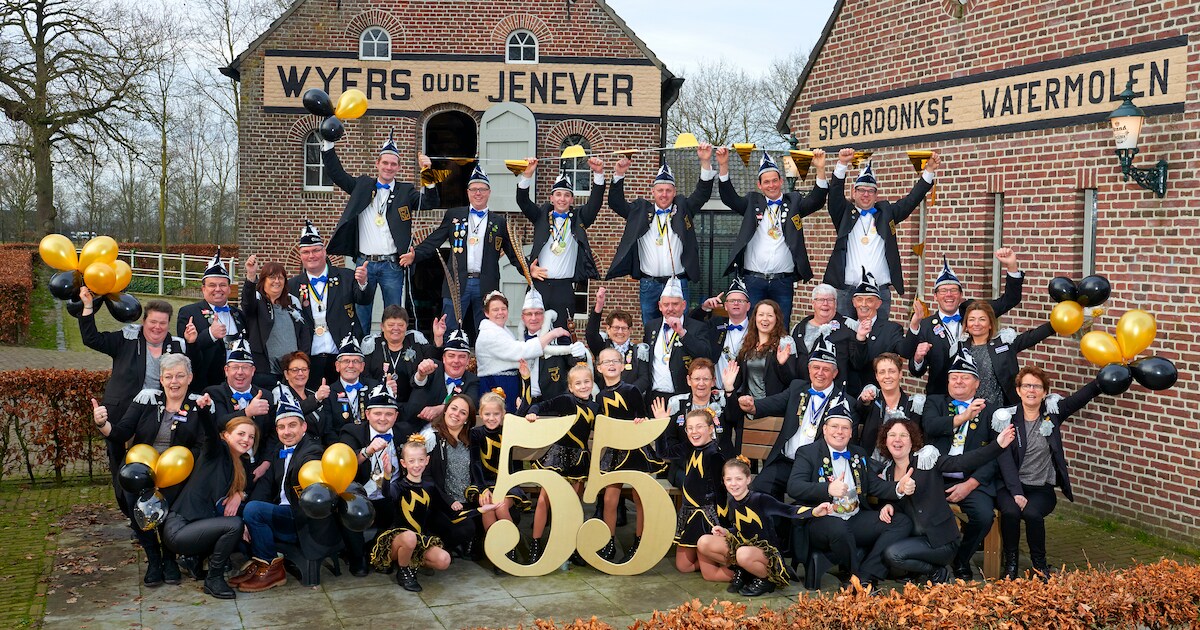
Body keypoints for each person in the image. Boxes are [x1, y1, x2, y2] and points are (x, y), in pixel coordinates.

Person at [91, 353, 209, 587]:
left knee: (172, 502)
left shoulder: (198, 404)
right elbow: (122, 432)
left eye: (179, 376)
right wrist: (102, 423)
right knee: (135, 501)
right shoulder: (147, 398)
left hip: (178, 470)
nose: (174, 381)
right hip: (141, 467)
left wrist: (180, 464)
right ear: (161, 380)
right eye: (168, 376)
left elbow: (202, 445)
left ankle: (169, 558)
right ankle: (153, 559)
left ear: (190, 377)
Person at [78, 290, 186, 512]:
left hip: (156, 417)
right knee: (120, 465)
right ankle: (128, 511)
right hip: (121, 414)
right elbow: (92, 338)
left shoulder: (177, 345)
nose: (157, 327)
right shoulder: (126, 338)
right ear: (144, 320)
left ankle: (152, 511)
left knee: (150, 465)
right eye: (153, 322)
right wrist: (88, 307)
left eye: (163, 323)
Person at [786, 402, 912, 592]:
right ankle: (857, 579)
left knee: (901, 522)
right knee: (839, 528)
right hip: (821, 519)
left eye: (845, 427)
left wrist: (898, 487)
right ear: (825, 429)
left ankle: (865, 575)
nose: (840, 431)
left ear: (851, 432)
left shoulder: (858, 454)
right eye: (835, 426)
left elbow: (875, 485)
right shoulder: (808, 453)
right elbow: (794, 487)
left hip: (854, 516)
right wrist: (828, 489)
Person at [995, 367, 1105, 580]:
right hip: (1010, 486)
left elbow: (1078, 399)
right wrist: (1017, 493)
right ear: (1018, 390)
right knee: (1010, 513)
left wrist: (1101, 382)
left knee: (1032, 514)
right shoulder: (1006, 418)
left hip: (1040, 487)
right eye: (1027, 385)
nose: (1031, 390)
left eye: (1037, 386)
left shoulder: (1052, 414)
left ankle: (1040, 566)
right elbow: (1004, 460)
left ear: (1044, 392)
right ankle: (1011, 564)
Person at [321, 131, 438, 332]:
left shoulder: (405, 191)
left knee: (393, 317)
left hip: (392, 265)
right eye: (385, 163)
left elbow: (430, 202)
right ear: (378, 164)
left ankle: (390, 358)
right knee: (361, 315)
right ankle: (361, 360)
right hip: (364, 263)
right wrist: (328, 144)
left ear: (399, 167)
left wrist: (427, 171)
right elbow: (336, 174)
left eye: (393, 164)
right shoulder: (362, 185)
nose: (389, 167)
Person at [877, 417, 1015, 584]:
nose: (897, 440)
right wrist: (887, 505)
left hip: (940, 541)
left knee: (893, 554)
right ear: (886, 440)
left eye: (903, 435)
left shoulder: (927, 459)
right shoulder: (888, 472)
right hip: (914, 538)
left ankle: (937, 572)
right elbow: (894, 500)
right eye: (892, 435)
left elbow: (962, 462)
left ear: (912, 440)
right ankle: (922, 569)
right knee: (888, 558)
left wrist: (997, 445)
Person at [403, 164, 525, 334]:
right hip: (457, 282)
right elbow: (435, 239)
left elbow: (512, 252)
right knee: (450, 329)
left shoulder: (499, 222)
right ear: (467, 192)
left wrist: (528, 270)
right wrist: (415, 255)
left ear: (489, 192)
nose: (478, 193)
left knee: (487, 331)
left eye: (482, 189)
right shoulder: (454, 215)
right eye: (474, 189)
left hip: (486, 284)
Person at [235, 394, 340, 592]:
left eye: (292, 425)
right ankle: (260, 563)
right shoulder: (279, 450)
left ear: (304, 427)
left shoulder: (313, 451)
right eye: (281, 427)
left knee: (254, 510)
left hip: (301, 519)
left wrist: (251, 512)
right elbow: (265, 486)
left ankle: (270, 568)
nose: (287, 432)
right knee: (236, 511)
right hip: (282, 513)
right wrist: (245, 516)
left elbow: (311, 470)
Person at [825, 148, 941, 321]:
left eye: (870, 191)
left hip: (879, 290)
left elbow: (911, 201)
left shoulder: (886, 213)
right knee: (844, 337)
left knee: (878, 338)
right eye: (862, 190)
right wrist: (842, 164)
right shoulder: (844, 213)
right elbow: (834, 195)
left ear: (876, 195)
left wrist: (929, 170)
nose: (866, 194)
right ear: (854, 192)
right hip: (846, 290)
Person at [715, 148, 829, 322]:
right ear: (759, 185)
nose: (771, 185)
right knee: (753, 327)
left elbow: (816, 200)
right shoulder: (752, 202)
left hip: (782, 281)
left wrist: (820, 169)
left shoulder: (793, 202)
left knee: (781, 327)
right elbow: (730, 198)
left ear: (781, 181)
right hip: (753, 280)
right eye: (766, 182)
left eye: (775, 181)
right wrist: (723, 165)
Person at [605, 144, 716, 323]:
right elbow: (616, 203)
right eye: (660, 190)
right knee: (650, 328)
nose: (664, 195)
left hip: (677, 282)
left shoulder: (683, 208)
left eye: (668, 190)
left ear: (674, 192)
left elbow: (702, 194)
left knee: (680, 328)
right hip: (649, 284)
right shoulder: (640, 211)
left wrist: (705, 161)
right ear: (653, 192)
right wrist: (619, 174)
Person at [918, 348, 1002, 581]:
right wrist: (964, 417)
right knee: (920, 514)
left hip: (971, 481)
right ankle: (929, 563)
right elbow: (931, 427)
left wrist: (971, 484)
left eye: (964, 377)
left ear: (976, 384)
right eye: (954, 377)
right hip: (937, 478)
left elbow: (996, 454)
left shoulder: (990, 411)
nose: (958, 381)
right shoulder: (935, 403)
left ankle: (961, 559)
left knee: (985, 516)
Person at [372, 434, 496, 592]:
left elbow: (453, 516)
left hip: (419, 539)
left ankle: (412, 563)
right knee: (409, 536)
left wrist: (480, 510)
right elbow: (387, 493)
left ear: (427, 461)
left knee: (444, 560)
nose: (416, 465)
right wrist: (387, 475)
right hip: (398, 539)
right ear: (403, 463)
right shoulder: (399, 486)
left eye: (420, 460)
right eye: (411, 461)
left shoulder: (430, 486)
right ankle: (403, 571)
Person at [697, 456, 833, 596]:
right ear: (724, 481)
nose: (734, 484)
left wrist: (815, 511)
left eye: (739, 479)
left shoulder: (761, 499)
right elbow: (741, 529)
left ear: (748, 479)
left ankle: (766, 580)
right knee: (704, 542)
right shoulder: (732, 502)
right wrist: (726, 531)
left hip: (767, 554)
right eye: (729, 479)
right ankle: (744, 571)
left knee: (742, 554)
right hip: (745, 547)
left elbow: (789, 510)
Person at [900, 249, 1025, 395]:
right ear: (935, 296)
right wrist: (918, 358)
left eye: (953, 290)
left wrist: (1011, 266)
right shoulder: (925, 326)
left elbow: (1010, 300)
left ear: (961, 295)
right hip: (942, 397)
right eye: (943, 291)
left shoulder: (974, 311)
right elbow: (916, 372)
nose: (949, 295)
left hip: (980, 396)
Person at [161, 415, 257, 600]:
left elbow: (249, 486)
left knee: (234, 521)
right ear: (226, 436)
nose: (246, 440)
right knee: (234, 525)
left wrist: (239, 494)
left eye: (251, 436)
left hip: (197, 527)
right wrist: (204, 410)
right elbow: (210, 435)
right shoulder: (217, 451)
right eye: (241, 434)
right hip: (179, 529)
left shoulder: (240, 465)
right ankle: (214, 579)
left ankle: (194, 562)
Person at [739, 337, 846, 498]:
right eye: (816, 367)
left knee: (805, 509)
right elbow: (773, 402)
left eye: (826, 369)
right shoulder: (797, 388)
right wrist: (753, 406)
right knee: (757, 490)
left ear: (835, 373)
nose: (820, 373)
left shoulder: (843, 400)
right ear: (809, 369)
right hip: (785, 462)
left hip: (815, 468)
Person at [594, 347, 665, 563]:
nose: (611, 364)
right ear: (599, 368)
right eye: (606, 362)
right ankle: (608, 541)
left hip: (635, 449)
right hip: (615, 451)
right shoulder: (599, 396)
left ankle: (639, 540)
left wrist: (639, 422)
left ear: (623, 365)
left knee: (639, 497)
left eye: (615, 360)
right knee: (609, 498)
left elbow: (641, 417)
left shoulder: (631, 390)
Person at [524, 364, 599, 564]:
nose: (583, 386)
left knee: (573, 505)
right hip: (557, 456)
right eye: (578, 383)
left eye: (587, 382)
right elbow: (541, 405)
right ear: (571, 387)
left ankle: (571, 546)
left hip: (579, 460)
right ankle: (536, 543)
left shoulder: (595, 406)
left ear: (592, 383)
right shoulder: (566, 400)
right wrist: (532, 412)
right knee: (543, 500)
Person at [516, 156, 606, 321]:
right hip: (539, 286)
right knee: (535, 335)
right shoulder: (541, 215)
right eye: (558, 194)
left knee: (564, 334)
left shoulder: (579, 217)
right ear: (551, 198)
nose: (562, 199)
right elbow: (522, 201)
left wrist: (598, 174)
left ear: (572, 199)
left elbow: (595, 203)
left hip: (564, 287)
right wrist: (527, 174)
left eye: (566, 195)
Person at [288, 220, 373, 389]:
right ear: (301, 255)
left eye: (316, 250)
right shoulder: (292, 286)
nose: (311, 256)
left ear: (324, 251)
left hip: (342, 357)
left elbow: (364, 299)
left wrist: (363, 282)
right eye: (306, 252)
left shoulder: (346, 276)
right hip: (309, 356)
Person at [338, 383, 405, 576]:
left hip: (392, 493)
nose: (383, 418)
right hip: (362, 493)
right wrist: (367, 451)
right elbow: (345, 465)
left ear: (396, 416)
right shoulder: (351, 431)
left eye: (388, 414)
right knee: (348, 499)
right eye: (377, 413)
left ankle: (387, 554)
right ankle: (357, 558)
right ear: (367, 414)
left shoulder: (404, 432)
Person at [475, 290, 575, 412]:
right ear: (486, 313)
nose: (500, 313)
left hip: (516, 388)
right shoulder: (489, 335)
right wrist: (552, 334)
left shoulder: (502, 331)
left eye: (503, 308)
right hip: (496, 385)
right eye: (495, 310)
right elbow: (521, 351)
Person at [466, 392, 530, 572]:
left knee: (500, 506)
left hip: (508, 483)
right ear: (480, 413)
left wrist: (525, 380)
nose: (491, 418)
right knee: (488, 508)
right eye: (487, 414)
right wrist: (482, 489)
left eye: (496, 414)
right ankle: (497, 553)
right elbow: (476, 463)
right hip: (484, 483)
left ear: (503, 414)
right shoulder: (476, 433)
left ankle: (509, 548)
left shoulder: (508, 431)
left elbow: (523, 413)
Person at [663, 408, 727, 580]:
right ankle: (713, 559)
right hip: (688, 513)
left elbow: (721, 491)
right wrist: (662, 425)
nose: (694, 432)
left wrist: (723, 521)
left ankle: (737, 567)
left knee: (708, 573)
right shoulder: (689, 447)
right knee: (683, 566)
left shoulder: (714, 454)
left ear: (710, 428)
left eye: (699, 427)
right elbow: (663, 453)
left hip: (706, 516)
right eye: (690, 428)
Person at [962, 301, 1055, 407]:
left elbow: (1031, 337)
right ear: (966, 324)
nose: (976, 324)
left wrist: (1054, 325)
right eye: (972, 319)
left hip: (1002, 411)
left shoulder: (1004, 342)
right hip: (969, 410)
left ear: (990, 324)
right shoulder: (959, 348)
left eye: (982, 319)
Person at [645, 277, 718, 409]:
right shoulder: (651, 326)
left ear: (684, 305)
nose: (670, 308)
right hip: (656, 398)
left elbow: (706, 354)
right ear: (660, 306)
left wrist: (682, 332)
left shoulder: (697, 327)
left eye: (675, 304)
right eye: (666, 304)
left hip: (683, 396)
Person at [178, 249, 246, 390]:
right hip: (204, 386)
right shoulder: (188, 313)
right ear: (203, 289)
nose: (218, 289)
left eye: (222, 285)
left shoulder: (239, 315)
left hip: (236, 386)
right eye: (212, 285)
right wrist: (210, 335)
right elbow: (184, 353)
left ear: (228, 289)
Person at [423, 394, 480, 559]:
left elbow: (478, 471)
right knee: (466, 528)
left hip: (469, 500)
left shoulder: (472, 439)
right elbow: (427, 478)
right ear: (446, 410)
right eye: (453, 408)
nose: (456, 414)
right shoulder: (432, 438)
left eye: (463, 412)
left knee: (509, 513)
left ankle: (466, 544)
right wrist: (448, 500)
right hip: (444, 503)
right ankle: (435, 548)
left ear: (467, 419)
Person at [241, 256, 310, 388]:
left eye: (280, 278)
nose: (277, 281)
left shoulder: (292, 302)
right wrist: (251, 275)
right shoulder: (257, 301)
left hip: (292, 373)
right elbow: (247, 303)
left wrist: (302, 360)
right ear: (263, 280)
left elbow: (304, 333)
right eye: (272, 277)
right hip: (265, 372)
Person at [203, 339, 275, 465]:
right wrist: (247, 412)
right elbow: (219, 423)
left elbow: (272, 434)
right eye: (235, 367)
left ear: (253, 371)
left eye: (245, 368)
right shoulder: (214, 393)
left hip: (257, 464)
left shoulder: (266, 396)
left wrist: (265, 463)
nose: (240, 372)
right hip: (224, 463)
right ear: (226, 370)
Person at [664, 359, 740, 474]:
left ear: (713, 381)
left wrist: (729, 388)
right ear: (689, 380)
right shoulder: (677, 403)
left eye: (706, 379)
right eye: (696, 379)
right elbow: (670, 439)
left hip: (719, 464)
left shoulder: (723, 399)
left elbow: (735, 418)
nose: (701, 383)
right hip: (686, 464)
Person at [362, 305, 441, 403]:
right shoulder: (372, 344)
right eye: (391, 325)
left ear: (407, 325)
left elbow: (434, 361)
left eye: (400, 325)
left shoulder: (415, 340)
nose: (396, 328)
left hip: (412, 403)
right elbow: (364, 377)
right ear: (382, 326)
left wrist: (438, 337)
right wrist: (381, 387)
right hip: (380, 403)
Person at [853, 353, 924, 461]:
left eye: (892, 371)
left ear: (900, 374)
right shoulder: (871, 398)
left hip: (900, 468)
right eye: (882, 372)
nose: (887, 376)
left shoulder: (912, 405)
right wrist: (864, 401)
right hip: (869, 465)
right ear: (876, 376)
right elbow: (859, 409)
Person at [845, 269, 905, 396]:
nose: (864, 304)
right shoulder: (845, 327)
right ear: (853, 302)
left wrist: (915, 326)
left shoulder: (891, 329)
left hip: (879, 397)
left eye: (869, 300)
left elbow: (905, 351)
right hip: (849, 396)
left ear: (878, 304)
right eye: (859, 299)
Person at [406, 330, 480, 433]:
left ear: (468, 361)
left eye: (462, 357)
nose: (456, 361)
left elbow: (471, 403)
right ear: (444, 358)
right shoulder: (433, 367)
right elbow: (416, 383)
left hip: (453, 433)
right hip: (417, 429)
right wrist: (421, 374)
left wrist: (442, 409)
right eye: (451, 356)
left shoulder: (472, 380)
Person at [692, 276, 754, 391]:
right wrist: (704, 308)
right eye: (731, 301)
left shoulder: (756, 328)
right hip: (717, 391)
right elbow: (692, 324)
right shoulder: (716, 324)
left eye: (740, 301)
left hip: (745, 394)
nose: (736, 303)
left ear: (748, 306)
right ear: (725, 306)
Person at [584, 287, 650, 393]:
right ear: (608, 329)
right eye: (616, 328)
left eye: (624, 328)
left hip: (630, 402)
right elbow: (590, 334)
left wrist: (627, 393)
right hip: (605, 400)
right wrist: (598, 306)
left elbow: (644, 378)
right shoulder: (602, 347)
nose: (620, 332)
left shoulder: (639, 351)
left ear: (630, 331)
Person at [730, 299, 798, 400]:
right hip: (749, 407)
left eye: (770, 315)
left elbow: (791, 381)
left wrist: (782, 365)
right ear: (755, 318)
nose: (765, 319)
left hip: (773, 409)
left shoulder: (785, 343)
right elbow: (738, 378)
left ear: (776, 319)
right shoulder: (746, 343)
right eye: (761, 314)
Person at [791, 284, 855, 389]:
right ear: (813, 303)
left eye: (830, 300)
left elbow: (857, 362)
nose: (825, 304)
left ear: (836, 303)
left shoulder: (849, 326)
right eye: (821, 300)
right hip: (803, 389)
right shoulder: (799, 327)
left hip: (835, 390)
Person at [319, 335, 379, 437]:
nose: (351, 365)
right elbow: (328, 431)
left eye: (355, 361)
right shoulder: (329, 393)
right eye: (346, 361)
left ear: (362, 366)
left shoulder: (375, 387)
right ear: (337, 366)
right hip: (342, 446)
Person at [272, 351, 335, 446]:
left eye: (304, 369)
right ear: (286, 374)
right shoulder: (280, 393)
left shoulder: (312, 393)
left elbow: (326, 427)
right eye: (295, 370)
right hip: (299, 451)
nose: (300, 373)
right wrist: (316, 399)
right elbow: (291, 413)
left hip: (320, 449)